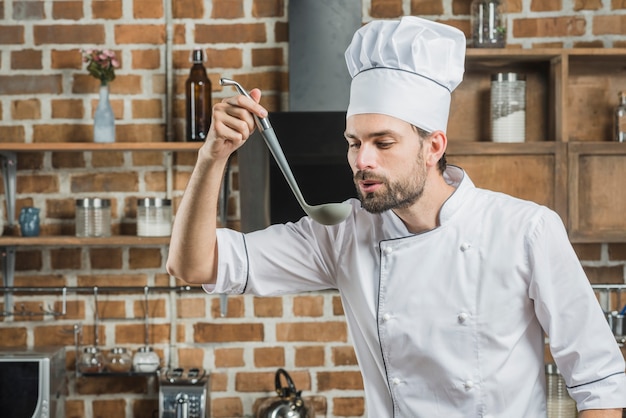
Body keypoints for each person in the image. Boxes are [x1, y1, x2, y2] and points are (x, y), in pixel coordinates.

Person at [167, 16, 626, 417]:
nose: (361, 160)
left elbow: (599, 382)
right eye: (353, 142)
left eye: (383, 143)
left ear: (433, 147)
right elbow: (193, 265)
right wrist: (213, 156)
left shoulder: (526, 230)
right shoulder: (342, 233)